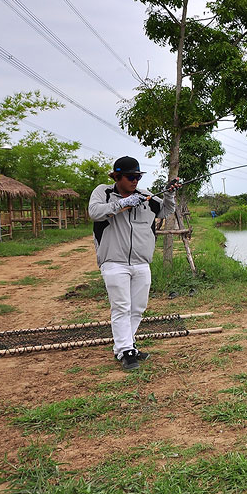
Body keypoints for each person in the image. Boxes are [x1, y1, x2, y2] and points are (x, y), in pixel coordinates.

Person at [88, 156, 179, 370]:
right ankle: (128, 351)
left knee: (137, 308)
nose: (135, 181)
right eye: (131, 177)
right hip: (114, 261)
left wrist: (169, 193)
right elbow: (95, 213)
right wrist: (123, 204)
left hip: (141, 262)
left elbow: (165, 210)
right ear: (117, 176)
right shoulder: (103, 192)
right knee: (121, 306)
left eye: (138, 177)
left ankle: (123, 347)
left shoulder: (145, 196)